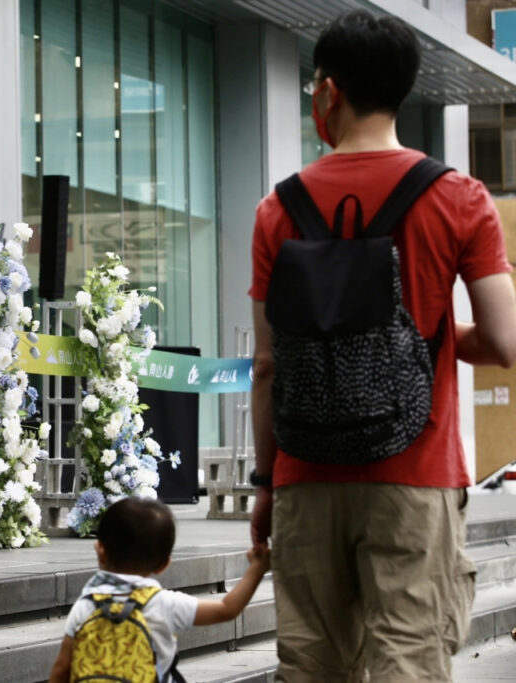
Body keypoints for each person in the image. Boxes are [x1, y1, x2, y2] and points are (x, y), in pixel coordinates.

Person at [250, 10, 516, 681]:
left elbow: (268, 365)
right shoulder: (459, 197)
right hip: (416, 472)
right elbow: (504, 340)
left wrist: (265, 484)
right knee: (410, 661)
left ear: (328, 91)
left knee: (312, 666)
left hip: (307, 475)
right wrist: (434, 334)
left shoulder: (277, 210)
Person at [48, 497, 270, 683]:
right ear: (163, 565)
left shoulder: (86, 605)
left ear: (100, 551)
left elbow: (62, 667)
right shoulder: (164, 603)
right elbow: (226, 609)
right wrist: (257, 569)